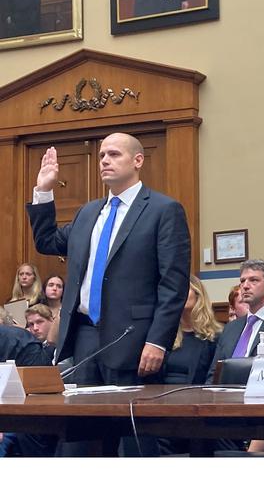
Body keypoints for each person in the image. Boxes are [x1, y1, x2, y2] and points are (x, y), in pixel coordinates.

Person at [26, 133, 191, 389]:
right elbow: (46, 241)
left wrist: (158, 341)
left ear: (138, 160)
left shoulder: (163, 210)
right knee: (85, 425)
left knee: (126, 422)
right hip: (84, 335)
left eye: (114, 154)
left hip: (134, 339)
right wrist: (44, 190)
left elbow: (173, 283)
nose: (104, 160)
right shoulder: (88, 212)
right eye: (102, 155)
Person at [207, 259, 264, 382]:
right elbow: (214, 373)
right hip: (224, 396)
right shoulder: (230, 328)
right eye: (242, 281)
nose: (245, 286)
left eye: (253, 280)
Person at [162, 276, 222, 385]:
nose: (180, 294)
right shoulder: (165, 333)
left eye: (185, 289)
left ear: (198, 295)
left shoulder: (215, 336)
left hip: (196, 397)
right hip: (160, 397)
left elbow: (213, 377)